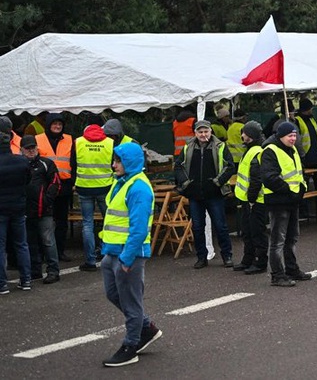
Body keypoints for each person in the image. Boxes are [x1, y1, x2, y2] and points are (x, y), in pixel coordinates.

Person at [100, 143, 162, 367]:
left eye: (118, 161)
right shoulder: (123, 182)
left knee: (131, 301)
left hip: (129, 254)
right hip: (113, 251)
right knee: (114, 294)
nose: (114, 165)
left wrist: (127, 258)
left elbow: (138, 229)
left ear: (130, 162)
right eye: (115, 161)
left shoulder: (138, 188)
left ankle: (131, 345)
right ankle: (146, 328)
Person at [174, 119, 236, 269]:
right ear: (195, 133)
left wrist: (217, 182)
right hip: (195, 194)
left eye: (206, 131)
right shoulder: (188, 147)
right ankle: (201, 257)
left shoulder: (220, 146)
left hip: (214, 194)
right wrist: (187, 183)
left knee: (220, 226)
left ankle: (227, 256)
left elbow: (230, 166)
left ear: (210, 132)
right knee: (197, 227)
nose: (203, 134)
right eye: (200, 132)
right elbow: (178, 166)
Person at [260, 122, 312, 286]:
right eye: (290, 135)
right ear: (280, 135)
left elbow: (299, 172)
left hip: (292, 200)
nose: (293, 138)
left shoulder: (293, 149)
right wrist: (290, 191)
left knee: (291, 238)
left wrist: (301, 188)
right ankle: (277, 275)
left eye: (295, 135)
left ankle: (291, 269)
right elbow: (269, 178)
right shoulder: (270, 151)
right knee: (278, 240)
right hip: (279, 202)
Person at [73, 120, 114, 271]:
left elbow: (73, 164)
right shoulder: (110, 142)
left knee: (87, 224)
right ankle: (108, 253)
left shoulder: (78, 142)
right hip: (105, 186)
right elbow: (113, 164)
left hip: (84, 187)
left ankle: (90, 261)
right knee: (108, 221)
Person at [21, 135, 61, 283]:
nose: (31, 151)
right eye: (28, 148)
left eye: (33, 147)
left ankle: (53, 271)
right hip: (26, 211)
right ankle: (34, 270)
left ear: (37, 148)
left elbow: (55, 183)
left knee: (48, 241)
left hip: (45, 210)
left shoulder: (46, 163)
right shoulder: (20, 164)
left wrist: (46, 200)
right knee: (30, 242)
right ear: (22, 150)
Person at [36, 113, 74, 262]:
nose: (57, 127)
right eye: (54, 124)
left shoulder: (70, 139)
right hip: (44, 187)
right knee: (44, 221)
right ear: (49, 125)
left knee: (61, 221)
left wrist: (72, 182)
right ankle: (43, 252)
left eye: (60, 124)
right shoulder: (38, 139)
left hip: (63, 186)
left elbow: (74, 162)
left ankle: (60, 251)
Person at [233, 121, 269, 275]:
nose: (242, 136)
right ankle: (248, 259)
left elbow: (256, 179)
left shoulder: (256, 151)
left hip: (256, 201)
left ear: (252, 135)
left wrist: (252, 199)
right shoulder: (251, 149)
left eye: (245, 134)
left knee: (257, 232)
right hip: (249, 200)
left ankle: (260, 262)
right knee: (248, 232)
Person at [0, 133, 32, 294]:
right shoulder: (22, 161)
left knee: (1, 246)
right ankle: (26, 279)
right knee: (21, 244)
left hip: (1, 209)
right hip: (19, 207)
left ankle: (2, 284)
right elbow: (27, 180)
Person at [296, 98, 317, 169]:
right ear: (306, 109)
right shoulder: (297, 120)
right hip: (306, 156)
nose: (312, 110)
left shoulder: (311, 119)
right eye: (311, 108)